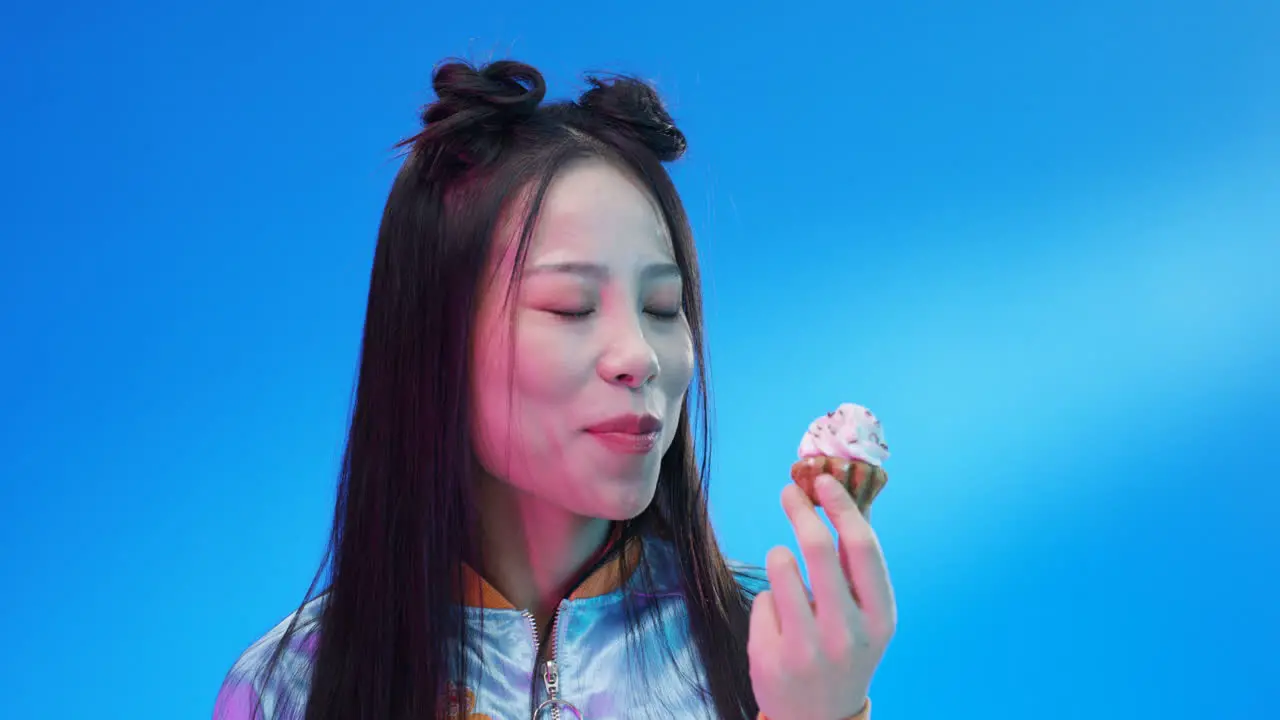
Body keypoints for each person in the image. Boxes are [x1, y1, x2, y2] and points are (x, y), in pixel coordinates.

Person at [213, 58, 896, 720]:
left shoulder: (772, 648)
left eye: (663, 307)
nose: (639, 356)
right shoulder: (290, 690)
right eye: (571, 306)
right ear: (433, 339)